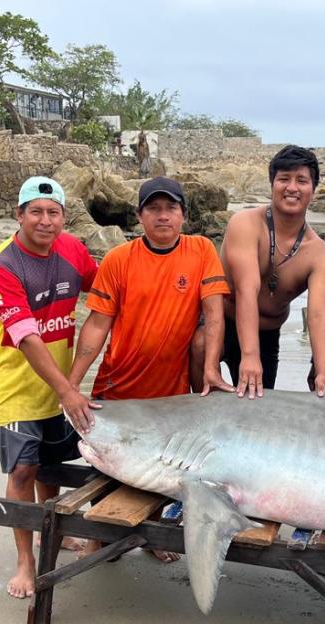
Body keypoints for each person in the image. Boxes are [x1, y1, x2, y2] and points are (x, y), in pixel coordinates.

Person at [68, 176, 233, 559]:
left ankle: (152, 541)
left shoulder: (201, 250)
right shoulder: (118, 259)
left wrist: (211, 369)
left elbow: (214, 315)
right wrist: (71, 384)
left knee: (164, 471)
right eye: (154, 209)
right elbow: (96, 325)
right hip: (119, 386)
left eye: (170, 208)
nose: (163, 216)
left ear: (183, 215)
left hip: (170, 392)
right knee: (110, 469)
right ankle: (97, 539)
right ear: (139, 216)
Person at [0, 176, 99, 599]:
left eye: (53, 213)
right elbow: (27, 337)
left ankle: (53, 528)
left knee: (52, 466)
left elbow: (103, 293)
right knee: (23, 470)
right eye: (36, 211)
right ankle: (25, 558)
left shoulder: (72, 251)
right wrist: (69, 391)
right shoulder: (2, 267)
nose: (45, 221)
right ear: (19, 215)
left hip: (62, 383)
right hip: (17, 387)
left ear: (64, 217)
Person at [220, 145, 325, 398]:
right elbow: (245, 290)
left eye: (302, 181)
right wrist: (249, 357)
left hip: (266, 336)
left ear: (313, 191)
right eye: (284, 179)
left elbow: (318, 315)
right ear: (272, 184)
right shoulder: (245, 224)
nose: (292, 188)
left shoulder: (319, 254)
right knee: (198, 351)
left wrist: (323, 372)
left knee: (257, 404)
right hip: (221, 323)